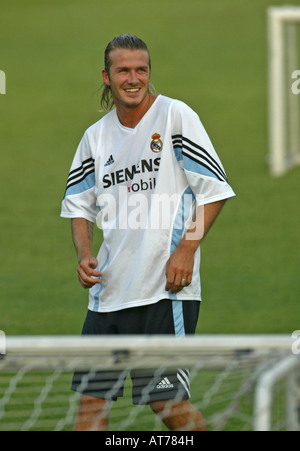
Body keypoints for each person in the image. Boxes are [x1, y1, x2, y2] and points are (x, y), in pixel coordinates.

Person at [61, 34, 235, 431]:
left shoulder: (175, 117)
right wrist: (84, 252)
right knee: (90, 406)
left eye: (142, 69)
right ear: (107, 76)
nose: (134, 78)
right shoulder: (96, 137)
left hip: (163, 291)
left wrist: (187, 248)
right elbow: (78, 206)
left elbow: (215, 189)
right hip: (106, 297)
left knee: (166, 404)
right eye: (124, 70)